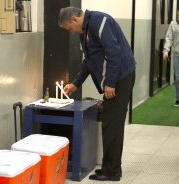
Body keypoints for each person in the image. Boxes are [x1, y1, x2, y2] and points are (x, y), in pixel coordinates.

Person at [58, 7, 136, 181]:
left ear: (76, 19)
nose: (71, 32)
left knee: (112, 125)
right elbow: (89, 60)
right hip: (116, 78)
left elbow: (114, 53)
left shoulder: (99, 22)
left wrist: (110, 82)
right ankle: (109, 168)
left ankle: (113, 171)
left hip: (121, 77)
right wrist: (75, 84)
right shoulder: (84, 31)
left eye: (70, 28)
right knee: (109, 124)